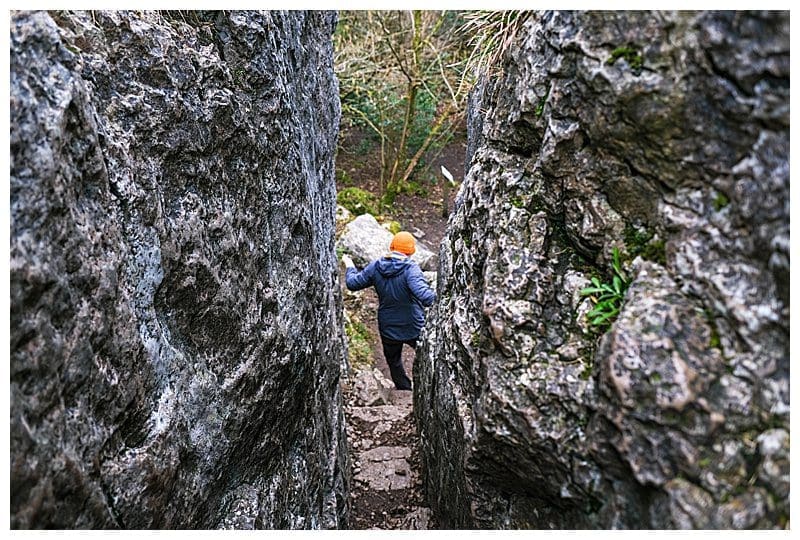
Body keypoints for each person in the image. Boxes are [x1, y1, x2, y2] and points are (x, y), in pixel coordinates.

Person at [341, 232, 436, 390]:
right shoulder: (410, 269)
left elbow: (352, 283)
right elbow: (426, 297)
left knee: (394, 361)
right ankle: (427, 389)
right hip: (413, 325)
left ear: (391, 247)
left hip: (388, 326)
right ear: (411, 251)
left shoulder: (376, 266)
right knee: (427, 355)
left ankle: (404, 389)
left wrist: (350, 265)